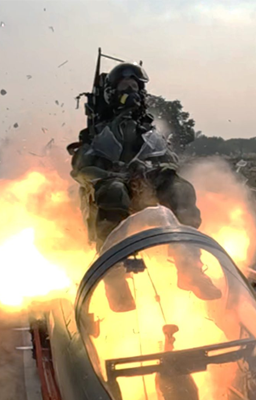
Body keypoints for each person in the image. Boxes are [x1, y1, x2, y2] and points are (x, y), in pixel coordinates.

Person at [70, 63, 221, 304]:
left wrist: (155, 170)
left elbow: (168, 158)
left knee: (181, 190)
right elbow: (82, 165)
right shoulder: (98, 132)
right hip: (114, 183)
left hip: (148, 182)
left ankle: (190, 268)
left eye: (134, 87)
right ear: (112, 93)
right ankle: (114, 279)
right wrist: (109, 173)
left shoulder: (148, 130)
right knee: (113, 192)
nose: (131, 93)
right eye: (125, 87)